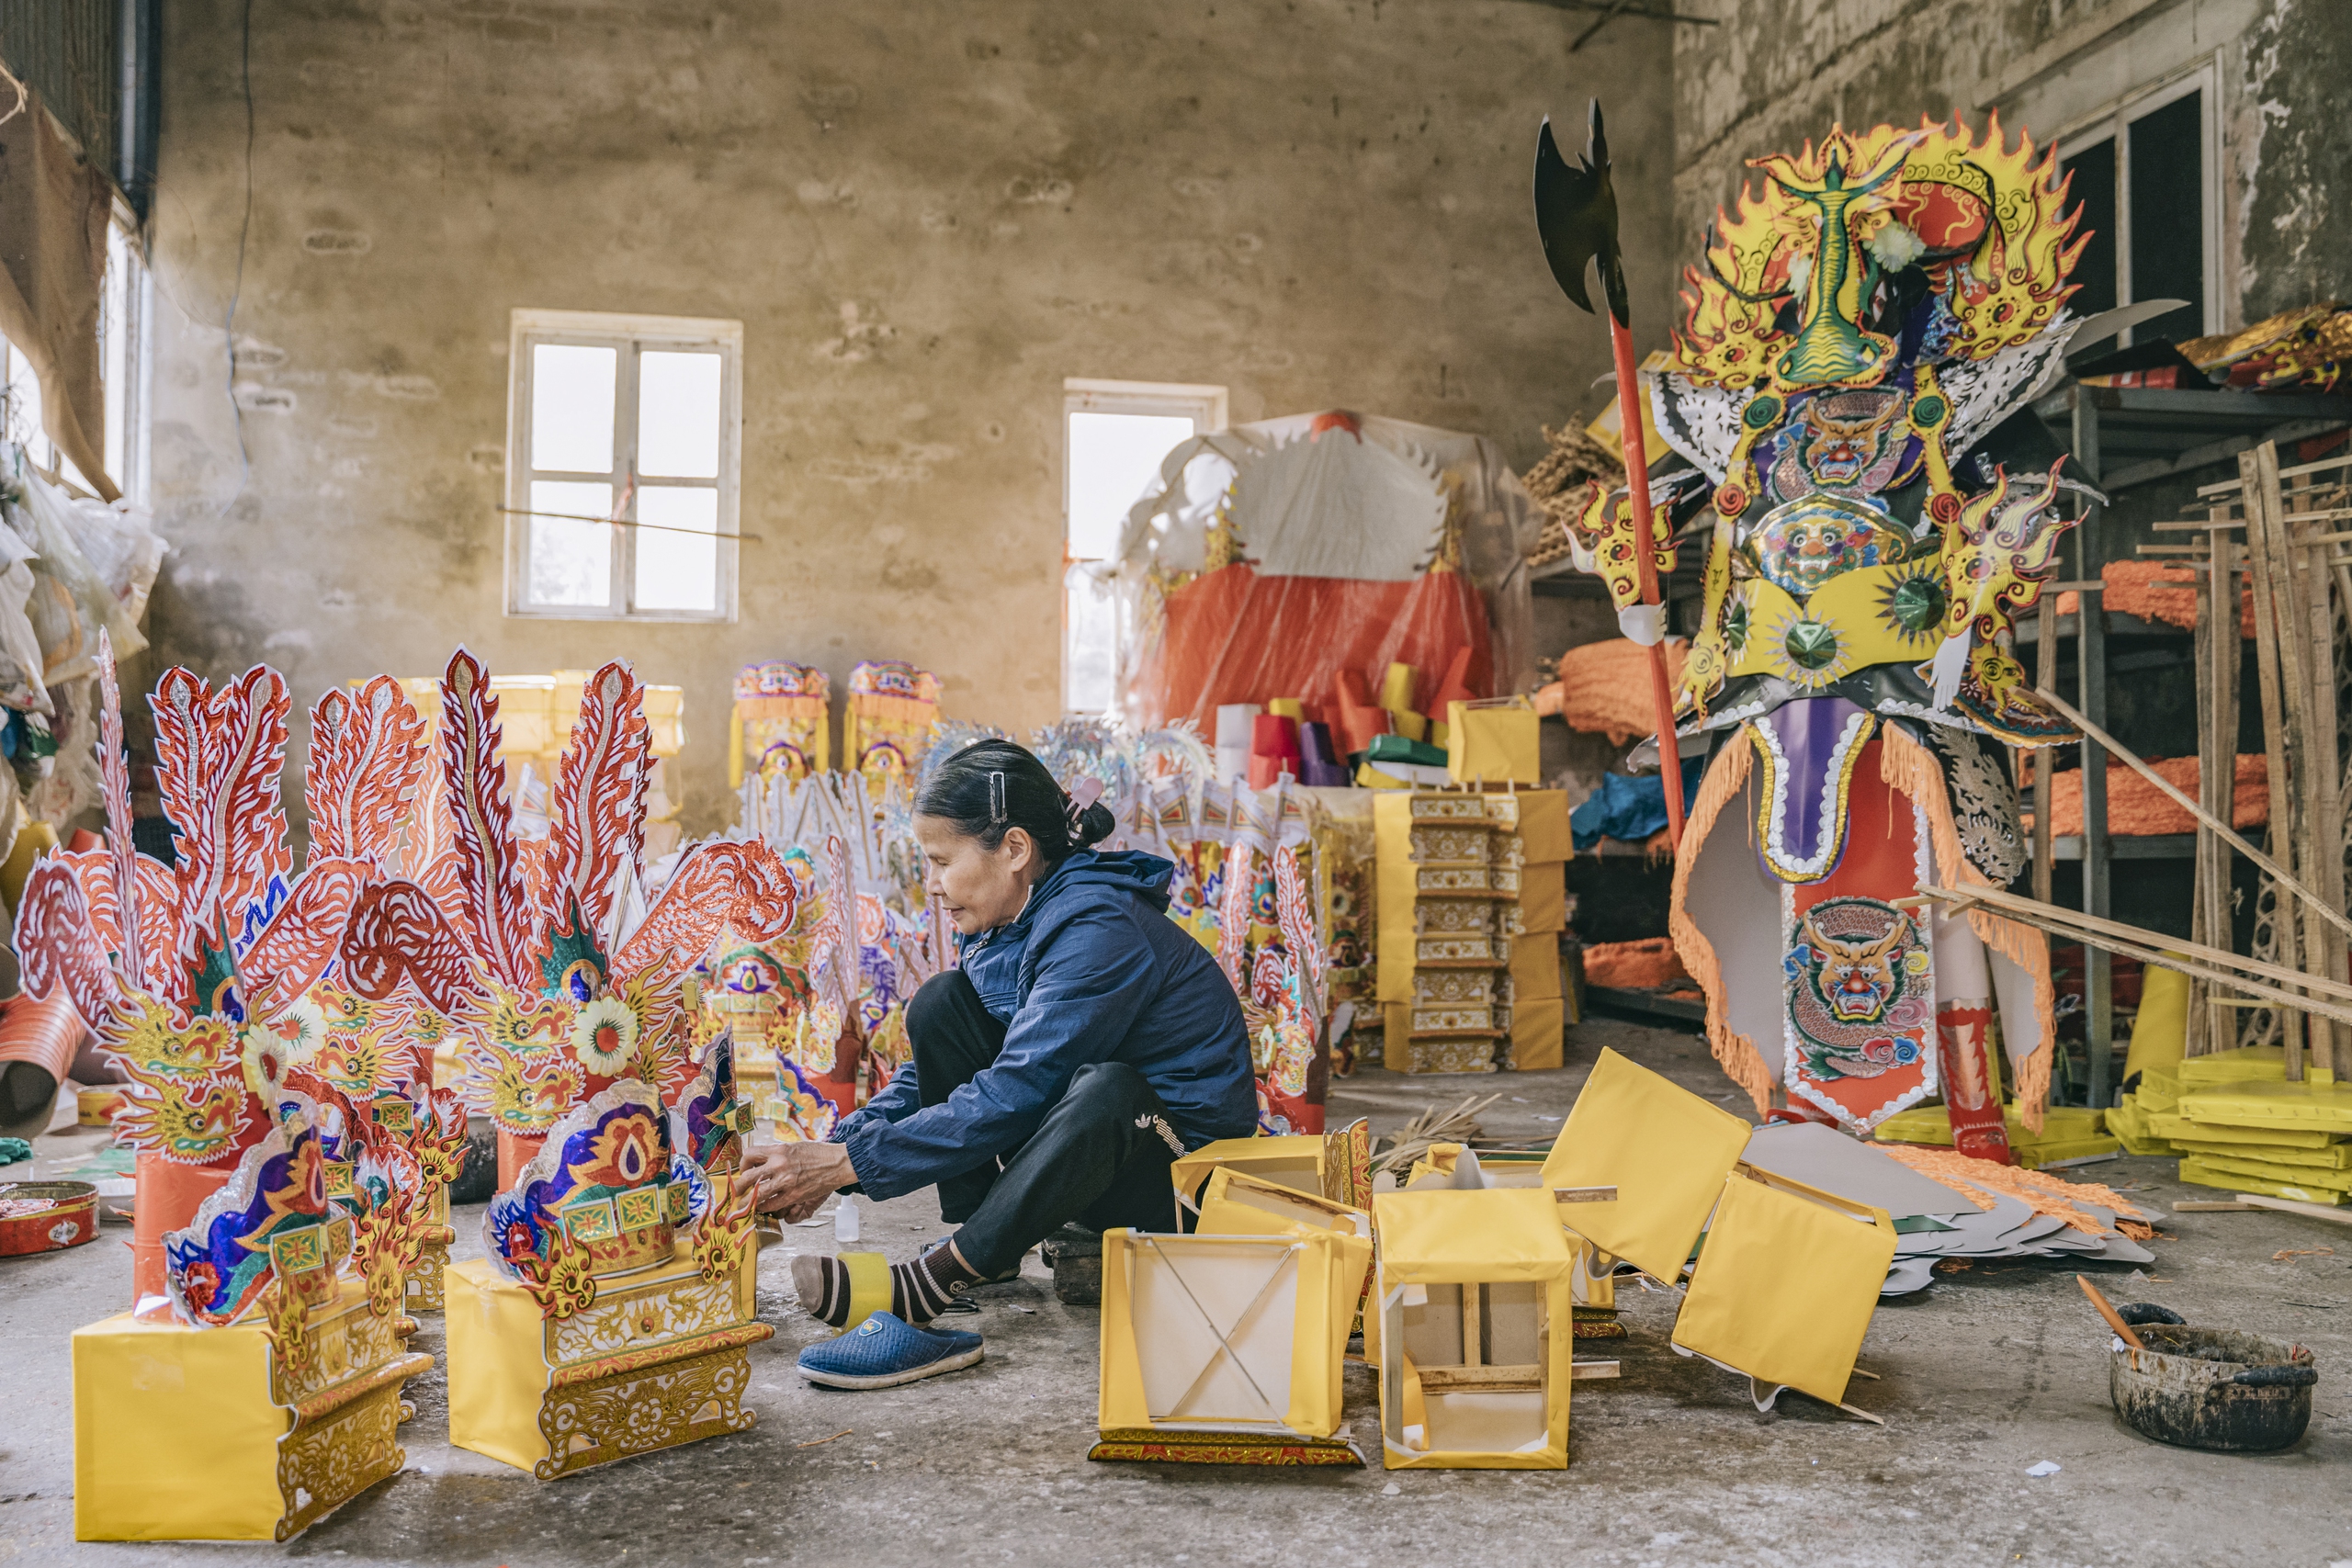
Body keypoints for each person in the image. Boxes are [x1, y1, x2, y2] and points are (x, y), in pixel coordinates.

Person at [737, 739, 1255, 1386]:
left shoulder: (1098, 928)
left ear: (1013, 849)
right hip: (1090, 1164)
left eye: (940, 861)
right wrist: (835, 1151)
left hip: (1181, 1181)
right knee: (941, 1003)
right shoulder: (1009, 924)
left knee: (1110, 1091)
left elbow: (1017, 1090)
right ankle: (994, 1247)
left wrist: (848, 1165)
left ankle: (933, 1282)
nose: (931, 884)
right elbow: (948, 1074)